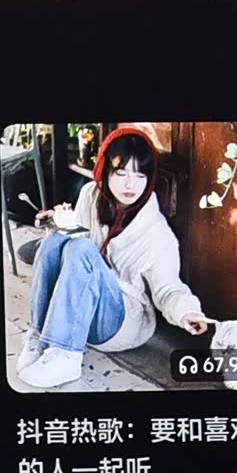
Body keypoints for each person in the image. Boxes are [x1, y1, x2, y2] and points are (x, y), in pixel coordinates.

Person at [19, 127, 211, 389]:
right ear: (104, 170)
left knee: (82, 248)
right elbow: (74, 240)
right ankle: (39, 337)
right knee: (54, 241)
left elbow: (169, 288)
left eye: (140, 175)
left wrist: (188, 312)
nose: (130, 185)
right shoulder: (90, 194)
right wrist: (56, 220)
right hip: (83, 311)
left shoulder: (157, 232)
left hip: (123, 322)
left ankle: (67, 354)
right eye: (121, 173)